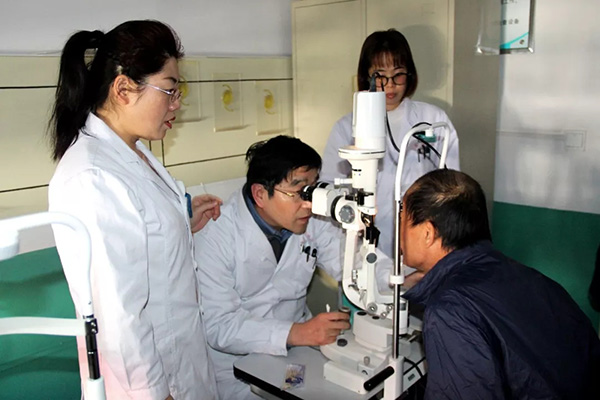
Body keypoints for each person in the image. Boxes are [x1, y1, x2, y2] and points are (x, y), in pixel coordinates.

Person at [48, 20, 220, 400]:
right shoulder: (92, 175)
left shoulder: (132, 151)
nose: (176, 104)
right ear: (124, 89)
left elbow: (141, 234)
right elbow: (117, 316)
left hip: (182, 361)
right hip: (148, 384)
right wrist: (155, 394)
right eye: (169, 90)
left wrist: (180, 222)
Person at [195, 135, 392, 399]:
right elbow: (220, 326)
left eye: (313, 189)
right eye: (298, 192)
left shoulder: (312, 218)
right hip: (239, 367)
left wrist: (397, 279)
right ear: (260, 194)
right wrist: (296, 333)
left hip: (296, 353)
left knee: (320, 392)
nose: (309, 203)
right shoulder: (215, 235)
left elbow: (353, 261)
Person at [400, 169, 600, 400]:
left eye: (402, 218)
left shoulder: (449, 312)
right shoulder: (535, 280)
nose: (399, 230)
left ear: (428, 233)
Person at [321, 29, 460, 258]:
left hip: (424, 237)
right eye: (380, 76)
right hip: (365, 238)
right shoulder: (346, 127)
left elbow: (452, 185)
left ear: (410, 75)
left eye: (398, 75)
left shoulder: (434, 120)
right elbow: (329, 185)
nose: (390, 85)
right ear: (366, 76)